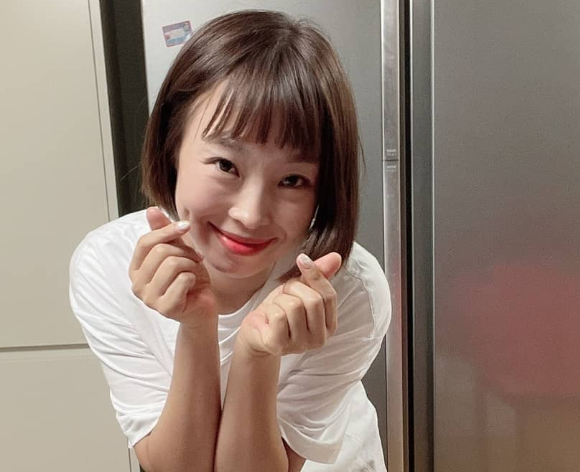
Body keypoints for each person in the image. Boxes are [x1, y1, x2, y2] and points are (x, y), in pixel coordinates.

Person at [69, 9, 391, 472]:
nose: (251, 214)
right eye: (225, 165)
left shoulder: (350, 290)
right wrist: (197, 326)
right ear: (172, 145)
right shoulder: (107, 265)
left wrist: (256, 353)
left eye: (293, 180)